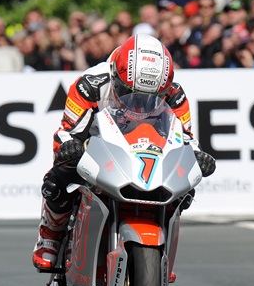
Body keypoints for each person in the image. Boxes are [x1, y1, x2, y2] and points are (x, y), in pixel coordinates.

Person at [32, 33, 216, 271]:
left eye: (150, 98)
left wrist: (199, 157)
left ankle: (163, 256)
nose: (139, 105)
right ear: (116, 76)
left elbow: (187, 139)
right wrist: (70, 147)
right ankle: (51, 236)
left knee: (185, 190)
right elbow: (67, 132)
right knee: (61, 173)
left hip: (148, 151)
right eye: (129, 92)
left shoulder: (174, 95)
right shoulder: (90, 84)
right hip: (99, 145)